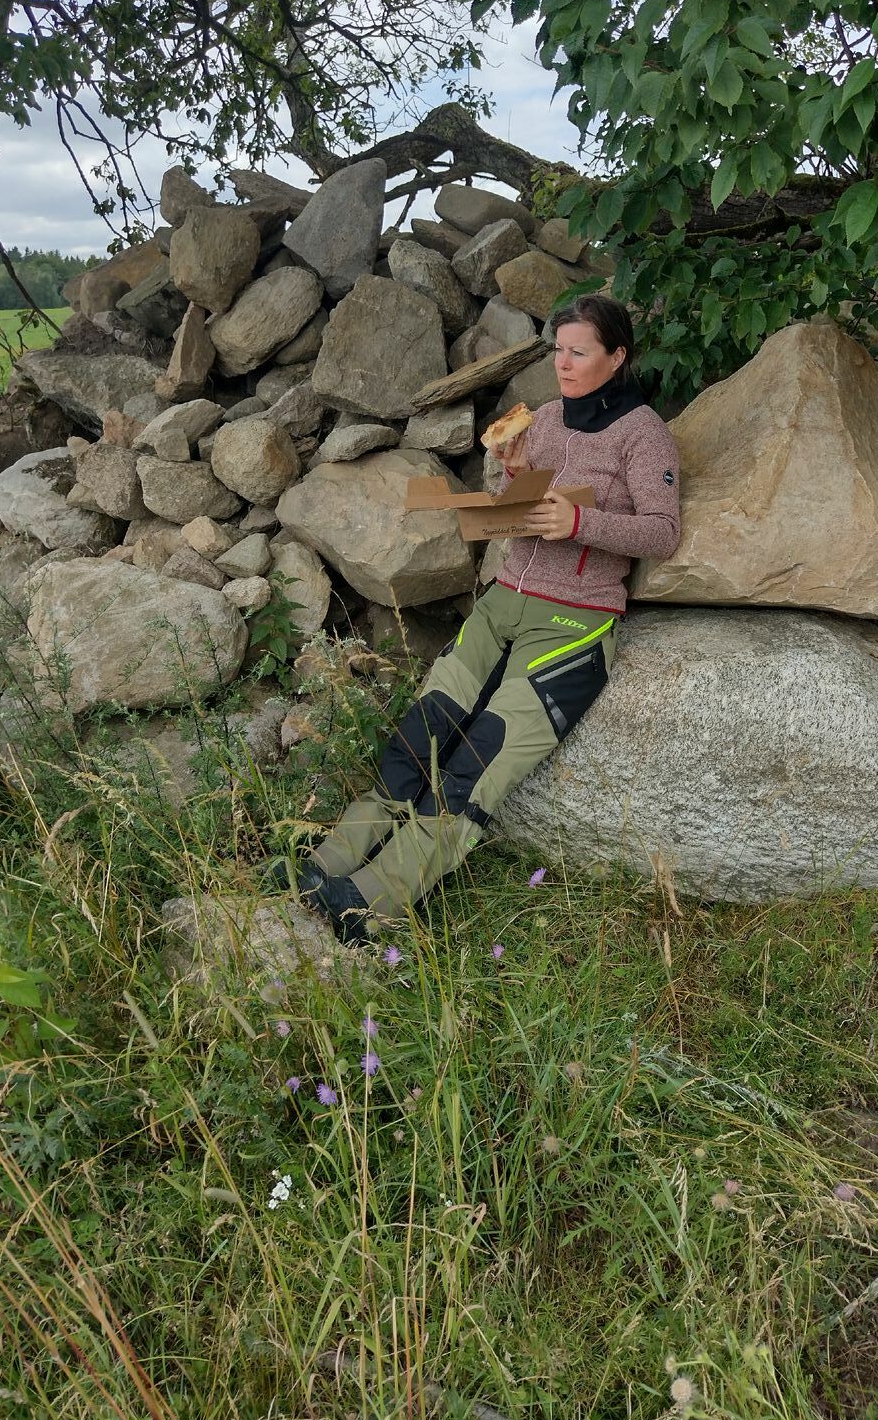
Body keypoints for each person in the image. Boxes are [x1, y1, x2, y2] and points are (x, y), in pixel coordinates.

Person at [287, 294, 681, 943]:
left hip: (572, 624)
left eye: (579, 352)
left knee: (477, 764)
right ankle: (327, 863)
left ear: (618, 357)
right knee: (421, 734)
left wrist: (580, 522)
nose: (563, 363)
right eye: (559, 350)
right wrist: (512, 474)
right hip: (502, 603)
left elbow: (662, 532)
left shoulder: (644, 434)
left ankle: (369, 904)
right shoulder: (545, 418)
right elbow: (512, 507)